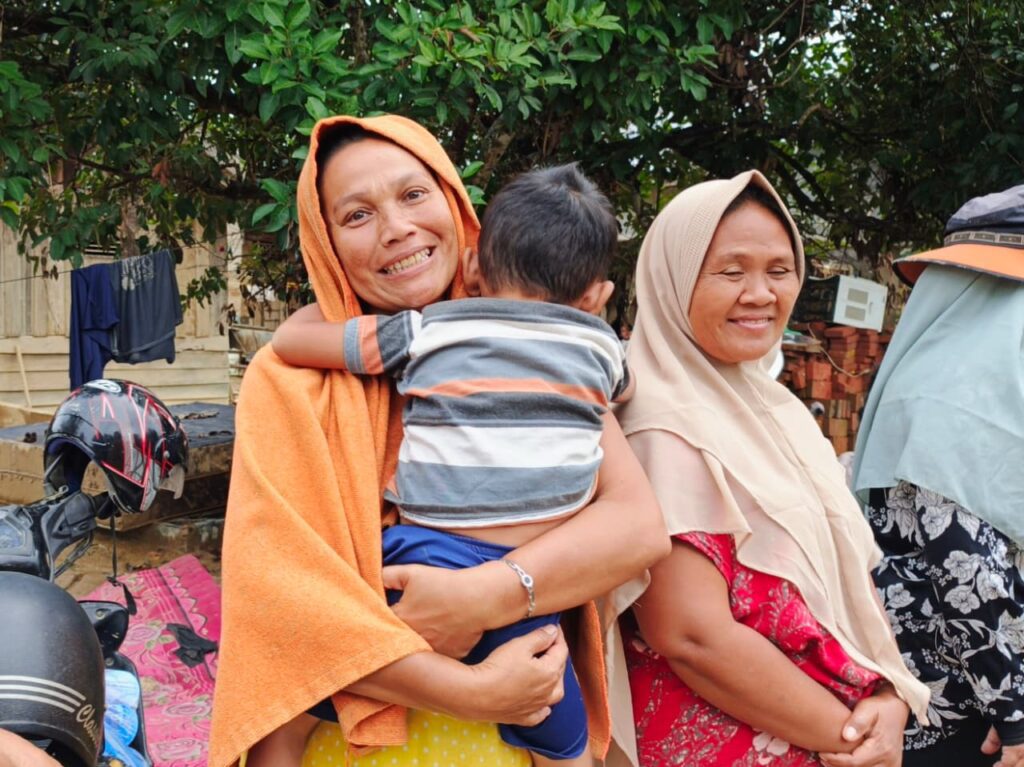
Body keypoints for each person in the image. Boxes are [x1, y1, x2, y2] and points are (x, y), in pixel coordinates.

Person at [208, 115, 667, 767]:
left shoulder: (534, 357)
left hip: (514, 728)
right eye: (357, 215)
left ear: (457, 207)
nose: (396, 227)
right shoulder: (288, 385)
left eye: (414, 194)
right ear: (327, 242)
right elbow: (285, 614)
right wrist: (475, 690)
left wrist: (484, 595)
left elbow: (637, 528)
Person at [612, 170, 931, 767]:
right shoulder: (655, 424)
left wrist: (889, 698)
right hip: (737, 744)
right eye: (730, 272)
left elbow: (842, 576)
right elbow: (689, 635)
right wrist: (851, 737)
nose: (760, 294)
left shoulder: (776, 411)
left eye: (779, 271)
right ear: (674, 280)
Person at [852, 184, 1024, 767]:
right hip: (967, 713)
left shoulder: (938, 384)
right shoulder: (962, 401)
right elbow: (970, 573)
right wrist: (1018, 713)